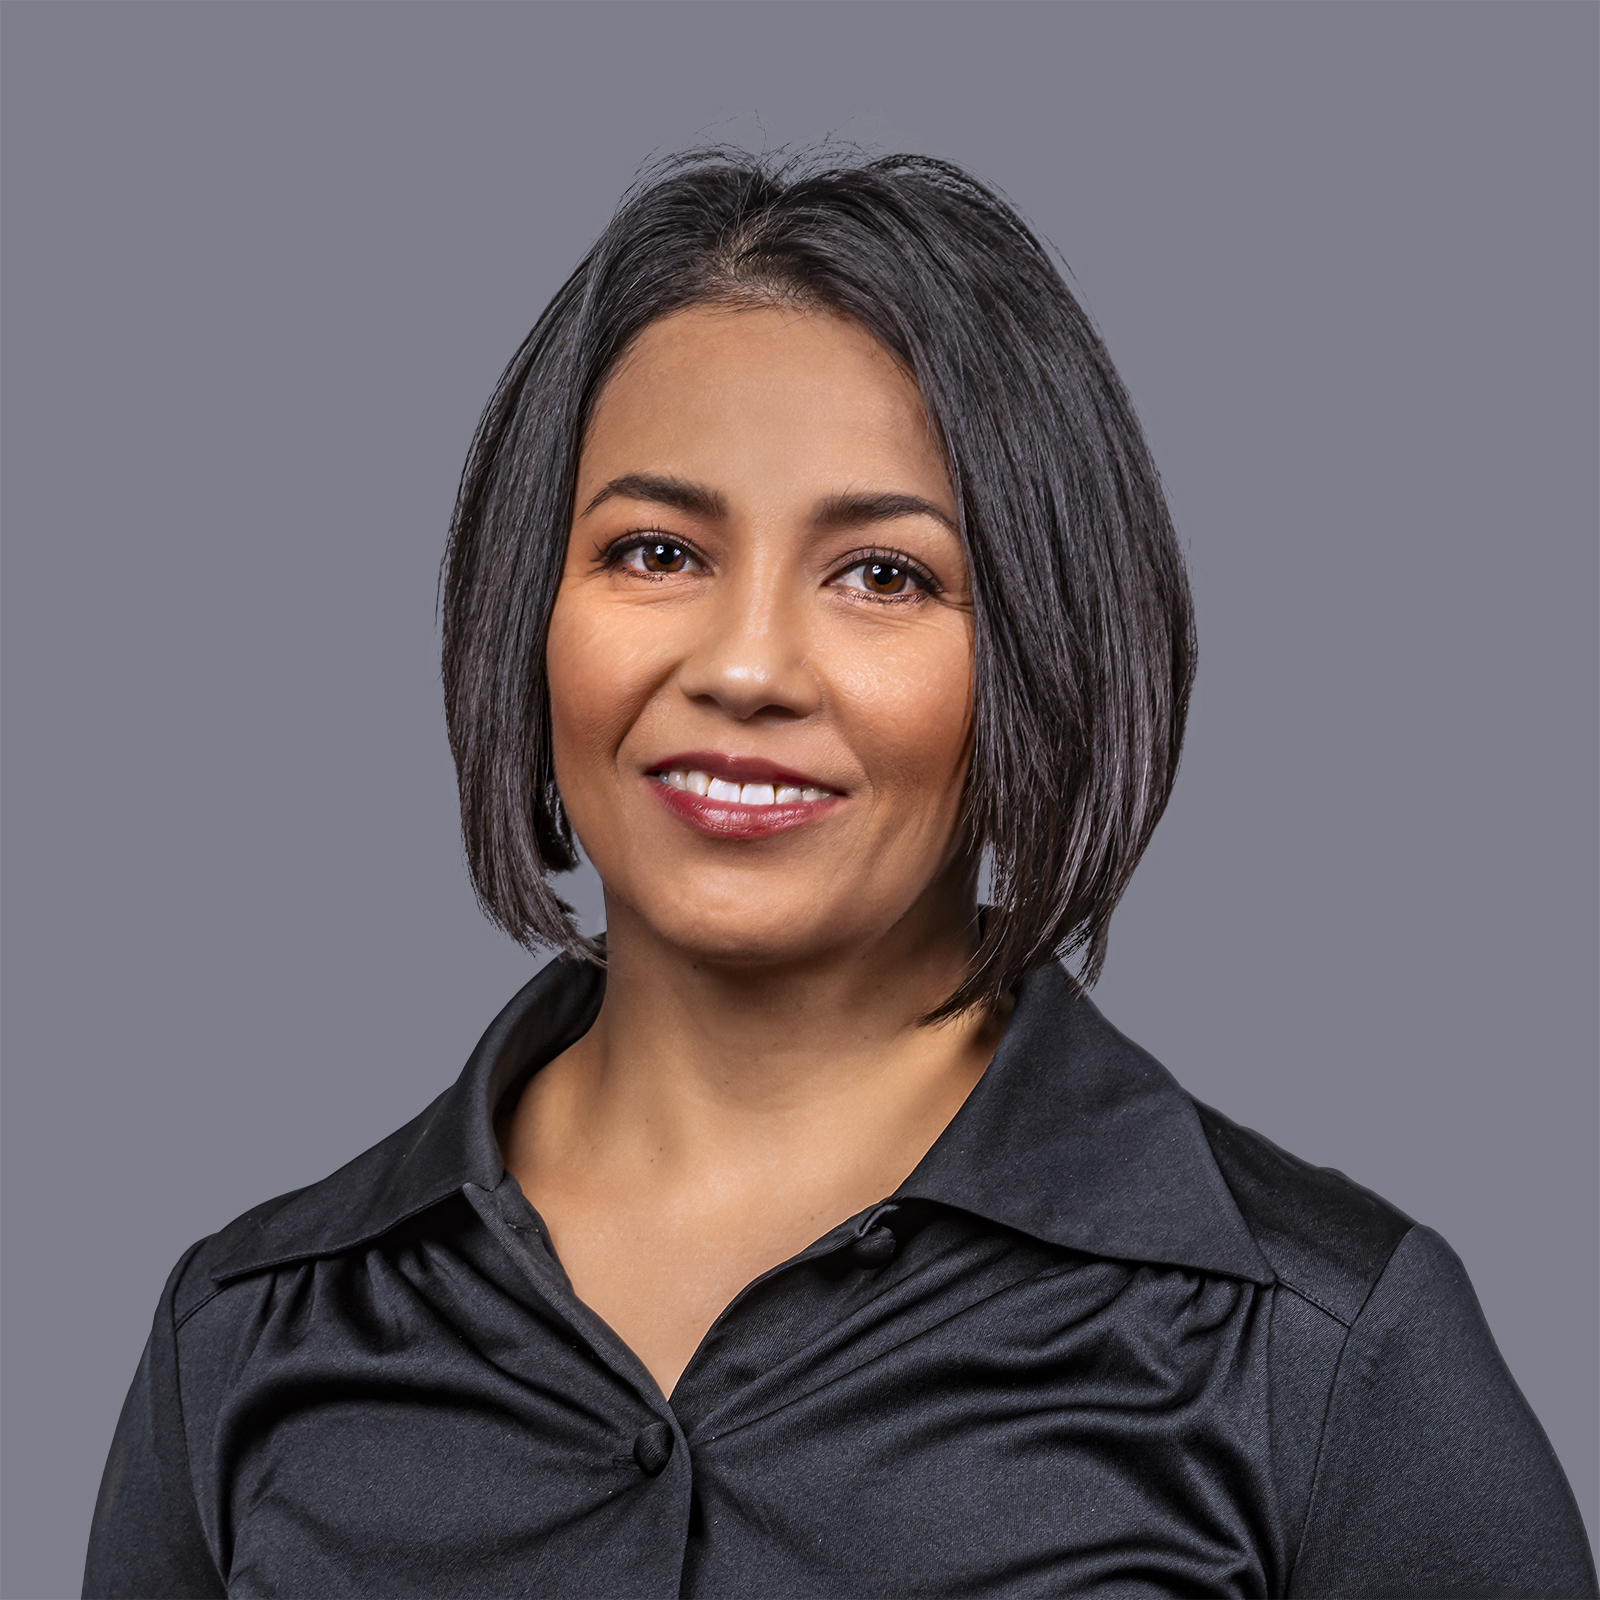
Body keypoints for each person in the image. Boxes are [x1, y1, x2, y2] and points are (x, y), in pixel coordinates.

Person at [84, 148, 1595, 1600]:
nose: (745, 667)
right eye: (656, 551)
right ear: (527, 612)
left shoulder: (1321, 1353)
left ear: (1044, 653)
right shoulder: (245, 1338)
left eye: (885, 574)